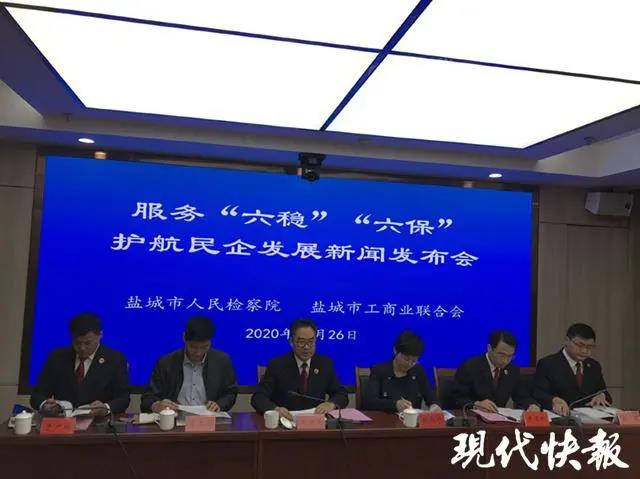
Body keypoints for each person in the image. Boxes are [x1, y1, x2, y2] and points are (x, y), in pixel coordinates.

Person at [30, 312, 130, 416]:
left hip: (99, 421)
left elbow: (123, 399)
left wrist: (106, 408)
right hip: (63, 421)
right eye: (77, 343)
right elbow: (37, 396)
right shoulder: (57, 357)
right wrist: (44, 404)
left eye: (87, 343)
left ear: (100, 335)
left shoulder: (115, 359)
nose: (82, 348)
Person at [251, 318, 348, 419]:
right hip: (286, 422)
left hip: (316, 422)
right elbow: (258, 397)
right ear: (291, 342)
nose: (306, 347)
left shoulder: (325, 364)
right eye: (301, 342)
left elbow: (341, 394)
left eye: (311, 341)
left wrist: (330, 404)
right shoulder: (277, 364)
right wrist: (275, 409)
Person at [141, 315, 237, 413]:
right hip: (175, 418)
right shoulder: (166, 363)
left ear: (210, 342)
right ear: (184, 338)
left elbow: (230, 393)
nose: (198, 353)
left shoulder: (222, 361)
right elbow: (148, 397)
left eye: (204, 347)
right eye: (193, 347)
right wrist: (157, 405)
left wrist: (219, 405)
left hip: (210, 418)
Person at [451, 330, 539, 412]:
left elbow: (522, 396)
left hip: (499, 419)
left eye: (510, 356)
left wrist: (532, 405)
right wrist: (476, 404)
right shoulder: (470, 366)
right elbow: (457, 398)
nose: (505, 361)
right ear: (489, 348)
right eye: (502, 355)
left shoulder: (512, 370)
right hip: (473, 418)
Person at [533, 323, 611, 415]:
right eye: (580, 345)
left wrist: (602, 396)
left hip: (590, 418)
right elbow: (538, 393)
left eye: (589, 347)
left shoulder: (594, 366)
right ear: (566, 341)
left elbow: (603, 391)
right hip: (560, 416)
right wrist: (553, 400)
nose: (584, 351)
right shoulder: (548, 364)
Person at [363, 330, 440, 412]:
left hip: (411, 419)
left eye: (414, 361)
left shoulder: (419, 371)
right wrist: (394, 404)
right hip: (385, 418)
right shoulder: (379, 370)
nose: (409, 364)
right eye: (406, 359)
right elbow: (369, 402)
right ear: (395, 350)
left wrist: (434, 405)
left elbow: (431, 397)